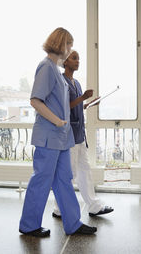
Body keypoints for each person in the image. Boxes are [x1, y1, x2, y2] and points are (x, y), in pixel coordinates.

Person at [19, 28, 97, 237]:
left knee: (64, 180)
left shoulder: (55, 70)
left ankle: (73, 223)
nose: (70, 50)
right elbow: (35, 100)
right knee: (42, 180)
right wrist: (58, 121)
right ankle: (29, 225)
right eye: (69, 45)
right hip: (49, 136)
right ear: (61, 44)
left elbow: (60, 104)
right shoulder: (46, 67)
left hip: (62, 138)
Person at [52, 50, 114, 219]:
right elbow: (64, 106)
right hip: (68, 135)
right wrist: (82, 98)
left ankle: (94, 206)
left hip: (79, 135)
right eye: (74, 58)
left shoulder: (77, 83)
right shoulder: (61, 81)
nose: (78, 61)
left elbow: (77, 106)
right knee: (68, 173)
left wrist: (88, 103)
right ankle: (58, 209)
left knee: (85, 170)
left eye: (78, 58)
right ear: (65, 62)